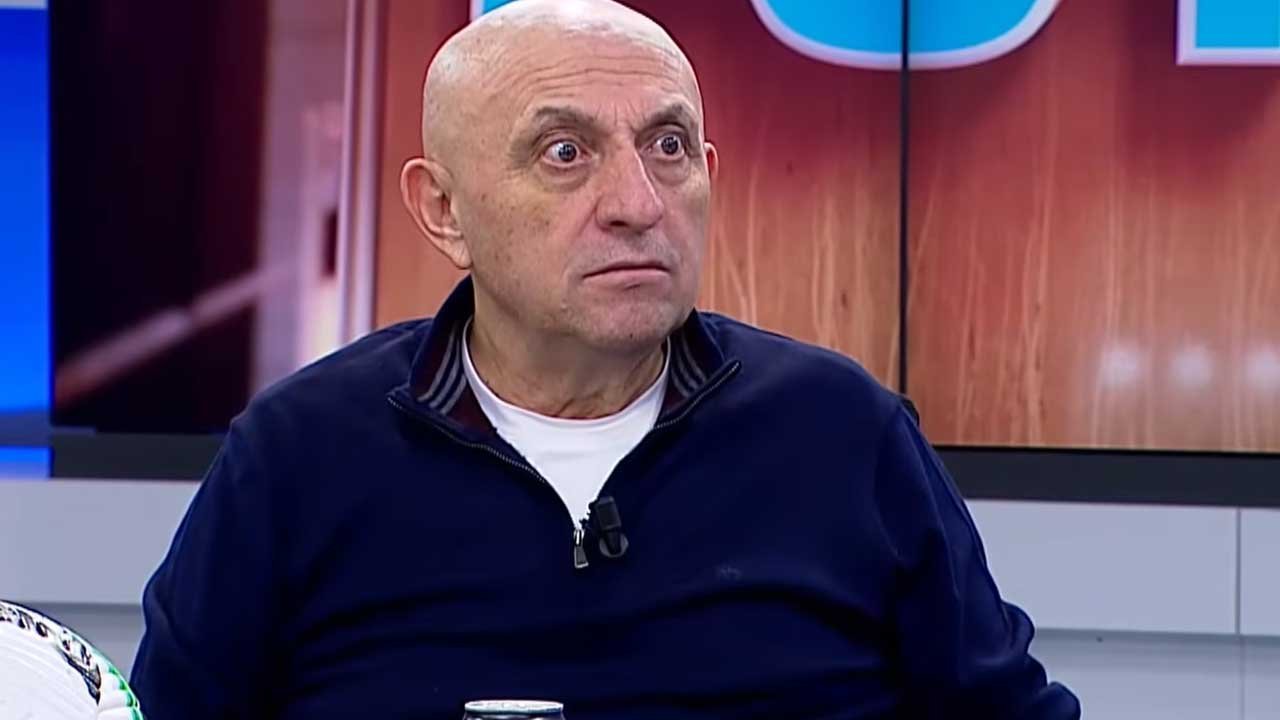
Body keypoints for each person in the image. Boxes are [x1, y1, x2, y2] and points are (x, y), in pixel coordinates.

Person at [130, 0, 1080, 717]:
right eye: (564, 152)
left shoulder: (843, 435)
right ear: (444, 211)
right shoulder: (299, 456)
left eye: (668, 146)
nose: (638, 202)